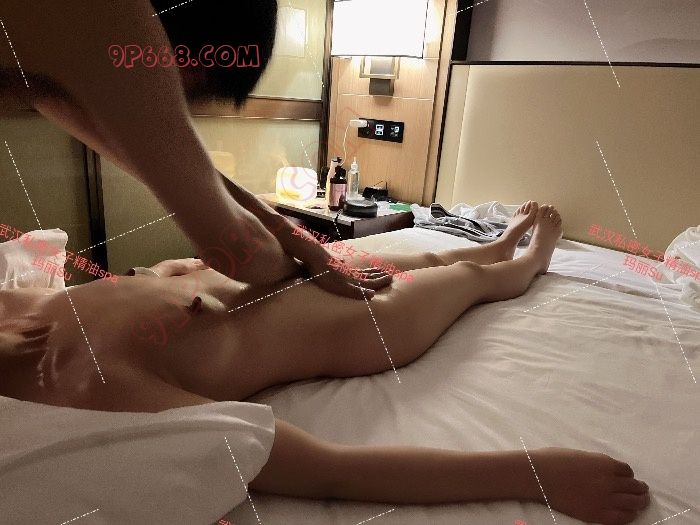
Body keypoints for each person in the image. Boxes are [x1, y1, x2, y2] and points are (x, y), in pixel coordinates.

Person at [0, 203, 650, 525]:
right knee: (466, 279)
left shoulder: (20, 310)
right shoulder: (90, 393)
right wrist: (534, 474)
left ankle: (496, 244)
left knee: (424, 255)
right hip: (348, 323)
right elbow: (334, 470)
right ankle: (526, 261)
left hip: (265, 272)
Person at [0, 0, 390, 300]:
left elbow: (198, 175)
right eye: (198, 90)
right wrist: (306, 273)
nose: (181, 104)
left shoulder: (63, 57)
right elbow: (238, 249)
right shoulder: (115, 24)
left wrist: (307, 246)